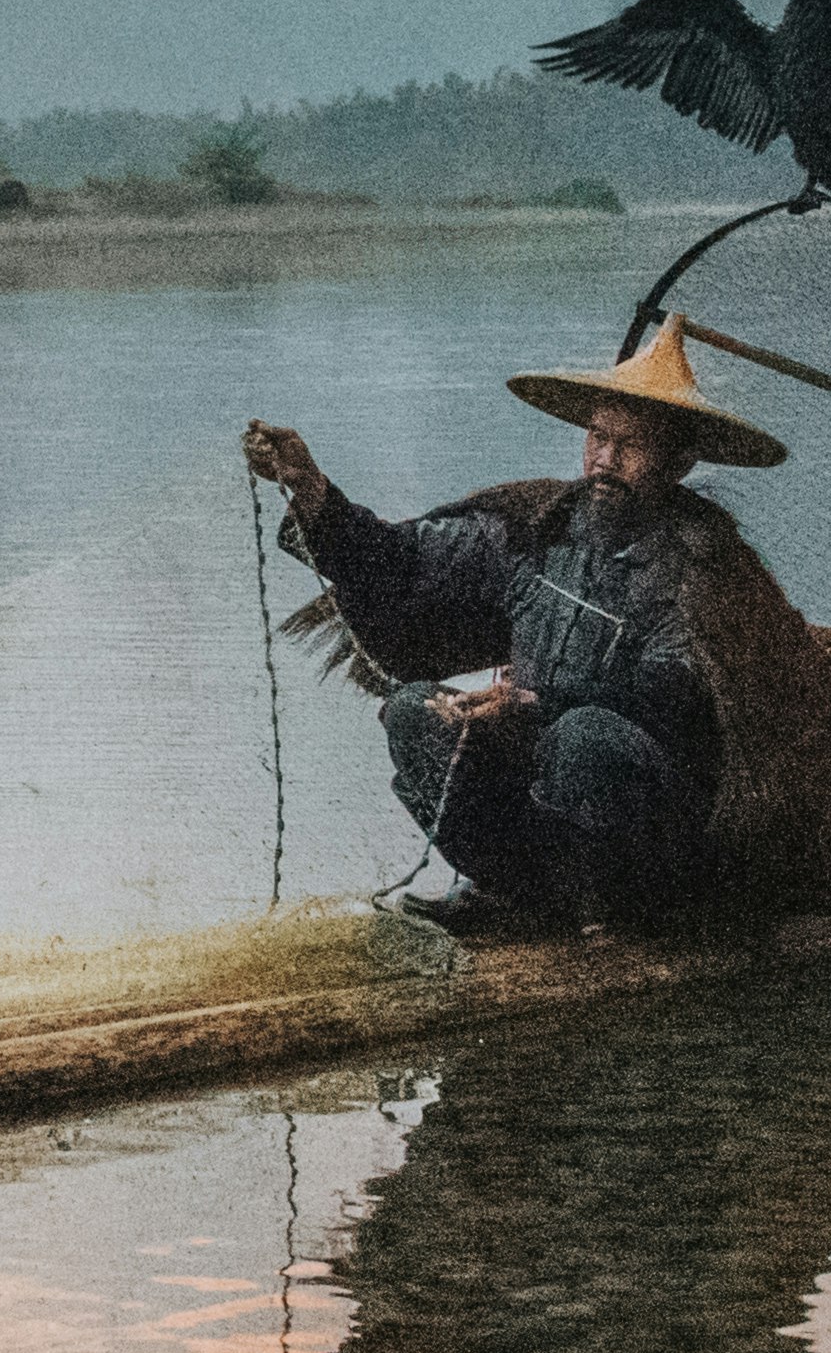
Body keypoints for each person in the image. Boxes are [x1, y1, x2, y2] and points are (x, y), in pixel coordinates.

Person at [243, 320, 797, 938]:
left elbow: (676, 700)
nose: (604, 461)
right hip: (541, 786)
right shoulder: (538, 526)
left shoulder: (700, 569)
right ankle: (509, 890)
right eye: (596, 438)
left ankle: (614, 915)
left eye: (630, 446)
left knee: (586, 736)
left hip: (649, 823)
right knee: (414, 712)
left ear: (679, 462)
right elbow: (398, 558)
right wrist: (311, 486)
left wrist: (538, 702)